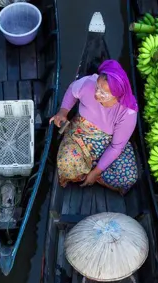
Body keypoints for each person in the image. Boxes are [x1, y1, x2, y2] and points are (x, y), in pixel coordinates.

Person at [48, 59, 140, 193]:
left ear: (117, 96)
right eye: (98, 88)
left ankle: (91, 173)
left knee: (129, 177)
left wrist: (96, 172)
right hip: (80, 136)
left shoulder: (128, 113)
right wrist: (63, 111)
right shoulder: (88, 84)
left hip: (108, 144)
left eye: (103, 94)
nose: (97, 94)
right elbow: (72, 90)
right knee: (66, 162)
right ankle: (93, 173)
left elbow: (115, 147)